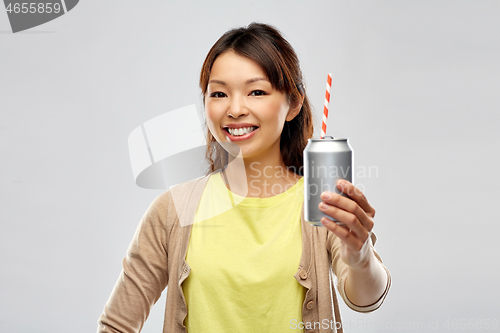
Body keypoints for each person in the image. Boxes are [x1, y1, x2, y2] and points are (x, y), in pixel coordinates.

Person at [97, 22, 391, 333]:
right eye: (220, 93)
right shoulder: (173, 209)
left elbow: (366, 299)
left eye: (257, 92)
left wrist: (359, 256)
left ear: (293, 103)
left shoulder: (321, 204)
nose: (235, 109)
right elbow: (117, 325)